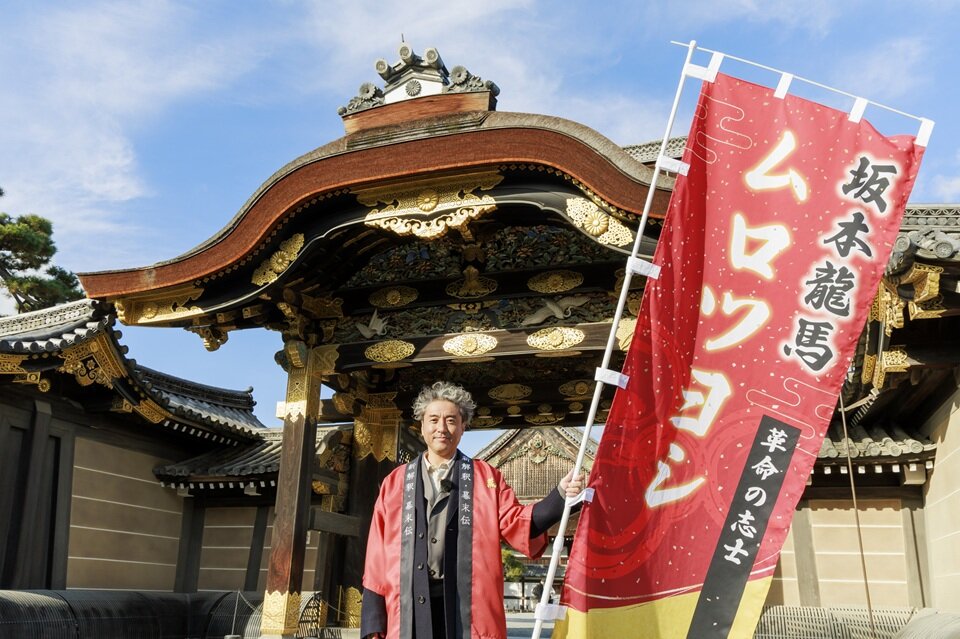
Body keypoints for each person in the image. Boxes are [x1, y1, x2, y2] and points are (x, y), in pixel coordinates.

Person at [360, 381, 584, 639]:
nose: (442, 428)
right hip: (408, 604)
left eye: (451, 420)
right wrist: (373, 623)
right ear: (421, 425)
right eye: (433, 420)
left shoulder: (485, 478)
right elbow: (376, 555)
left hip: (467, 606)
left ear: (463, 426)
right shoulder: (396, 482)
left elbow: (517, 521)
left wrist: (559, 496)